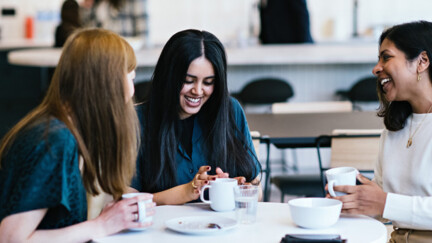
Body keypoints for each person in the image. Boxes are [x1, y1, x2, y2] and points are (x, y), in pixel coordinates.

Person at [0, 28, 155, 241]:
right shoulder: (54, 141)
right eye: (131, 77)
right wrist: (101, 226)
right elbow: (10, 239)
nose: (132, 90)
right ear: (108, 84)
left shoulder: (69, 131)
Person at [132, 29, 261, 205]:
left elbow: (256, 190)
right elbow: (127, 203)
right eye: (188, 80)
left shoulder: (231, 111)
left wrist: (236, 190)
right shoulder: (138, 121)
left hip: (223, 229)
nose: (198, 91)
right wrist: (187, 191)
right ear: (169, 76)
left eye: (208, 82)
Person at [330, 21, 432, 242]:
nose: (376, 68)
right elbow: (385, 204)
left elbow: (387, 203)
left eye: (386, 57)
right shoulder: (396, 125)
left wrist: (383, 202)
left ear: (422, 61)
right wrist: (357, 201)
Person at [80, 0, 147, 37]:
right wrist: (86, 9)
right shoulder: (96, 3)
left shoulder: (133, 2)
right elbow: (87, 30)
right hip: (100, 53)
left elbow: (142, 30)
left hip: (125, 53)